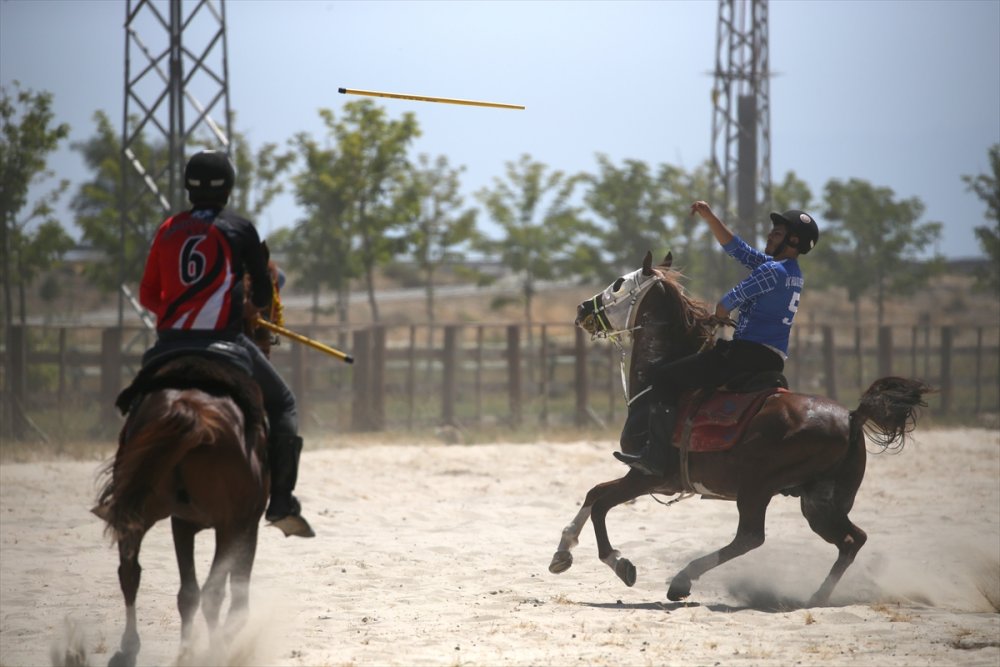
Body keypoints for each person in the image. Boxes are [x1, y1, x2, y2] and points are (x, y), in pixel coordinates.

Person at [138, 149, 312, 534]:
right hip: (224, 341)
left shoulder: (167, 229)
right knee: (284, 403)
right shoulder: (240, 228)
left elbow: (148, 294)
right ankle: (281, 500)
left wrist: (179, 312)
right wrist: (249, 307)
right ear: (228, 187)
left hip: (169, 343)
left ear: (188, 187)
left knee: (138, 403)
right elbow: (263, 293)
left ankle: (124, 491)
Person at [614, 200, 819, 476]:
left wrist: (718, 314)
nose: (771, 235)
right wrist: (709, 216)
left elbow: (727, 302)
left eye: (778, 233)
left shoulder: (771, 271)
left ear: (793, 241)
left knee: (664, 378)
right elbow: (739, 250)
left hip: (745, 355)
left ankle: (656, 457)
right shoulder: (791, 273)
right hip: (773, 359)